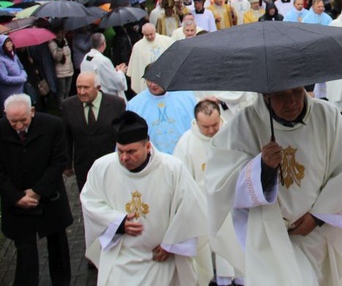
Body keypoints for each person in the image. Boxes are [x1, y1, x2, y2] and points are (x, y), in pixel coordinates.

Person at [205, 88, 342, 285]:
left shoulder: (327, 116)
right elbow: (221, 184)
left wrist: (317, 217)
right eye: (281, 95)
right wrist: (262, 167)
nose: (291, 102)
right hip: (268, 236)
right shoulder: (244, 124)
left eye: (296, 92)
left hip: (316, 234)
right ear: (266, 94)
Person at [80, 111, 212, 285]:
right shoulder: (102, 167)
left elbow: (192, 208)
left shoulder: (172, 169)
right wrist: (116, 222)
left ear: (148, 146)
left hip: (162, 261)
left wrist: (171, 244)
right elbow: (90, 202)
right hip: (120, 261)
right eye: (120, 151)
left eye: (131, 151)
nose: (124, 157)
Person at [0, 94, 73, 285]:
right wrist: (16, 197)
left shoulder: (53, 125)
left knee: (57, 245)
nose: (18, 126)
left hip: (50, 197)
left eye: (23, 120)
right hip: (16, 201)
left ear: (32, 111)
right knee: (25, 249)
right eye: (13, 121)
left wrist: (37, 191)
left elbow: (59, 161)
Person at [173, 100, 243, 286]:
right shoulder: (186, 143)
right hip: (202, 206)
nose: (212, 130)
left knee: (235, 245)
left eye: (215, 124)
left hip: (231, 204)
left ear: (220, 118)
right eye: (206, 127)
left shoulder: (232, 134)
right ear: (196, 121)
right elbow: (182, 180)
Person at [61, 71, 126, 191]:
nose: (81, 92)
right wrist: (67, 164)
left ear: (98, 87)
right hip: (83, 165)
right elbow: (66, 137)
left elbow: (123, 134)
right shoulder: (68, 106)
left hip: (111, 163)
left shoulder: (116, 104)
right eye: (78, 87)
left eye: (86, 87)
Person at [126, 69, 196, 155]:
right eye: (149, 80)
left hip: (184, 154)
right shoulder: (135, 105)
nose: (153, 84)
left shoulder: (186, 97)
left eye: (157, 80)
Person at [126, 23, 173, 95]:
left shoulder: (167, 41)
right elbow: (135, 67)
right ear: (142, 33)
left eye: (151, 34)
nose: (150, 37)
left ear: (155, 31)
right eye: (147, 35)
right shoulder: (138, 47)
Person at [81, 32, 128, 100]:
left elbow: (101, 73)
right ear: (103, 44)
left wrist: (114, 71)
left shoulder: (86, 57)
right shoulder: (103, 60)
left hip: (92, 94)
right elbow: (116, 81)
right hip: (105, 97)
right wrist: (120, 72)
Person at [48, 28, 74, 107]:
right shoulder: (52, 43)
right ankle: (61, 107)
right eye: (61, 32)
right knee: (61, 92)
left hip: (69, 70)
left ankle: (67, 105)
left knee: (67, 90)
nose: (63, 33)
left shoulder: (64, 40)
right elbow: (57, 57)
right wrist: (60, 47)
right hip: (60, 72)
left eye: (63, 31)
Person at [0, 35, 27, 106]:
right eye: (7, 43)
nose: (10, 44)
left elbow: (21, 68)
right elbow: (4, 78)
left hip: (21, 90)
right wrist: (20, 79)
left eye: (10, 42)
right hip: (10, 94)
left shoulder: (14, 56)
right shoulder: (1, 61)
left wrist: (24, 75)